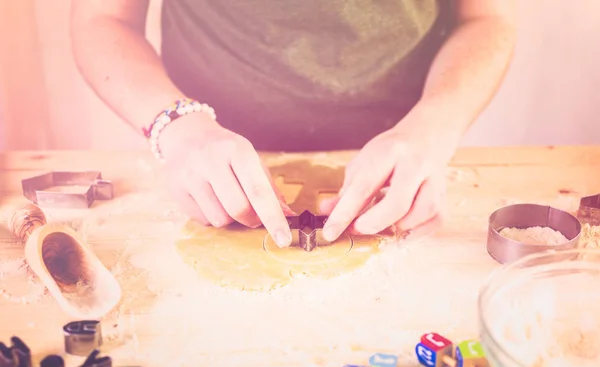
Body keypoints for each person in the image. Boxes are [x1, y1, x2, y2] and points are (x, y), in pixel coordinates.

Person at [71, 1, 516, 248]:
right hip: (206, 152)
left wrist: (434, 128)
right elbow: (101, 18)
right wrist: (177, 127)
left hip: (396, 149)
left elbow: (486, 17)